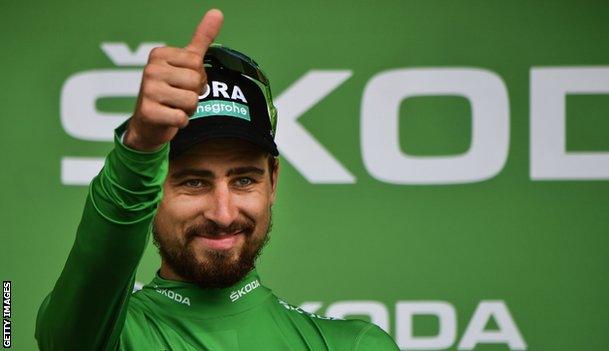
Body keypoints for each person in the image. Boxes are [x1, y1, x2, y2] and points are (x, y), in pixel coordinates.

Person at [35, 9, 399, 350]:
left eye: (243, 180)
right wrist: (141, 148)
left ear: (273, 180)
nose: (223, 214)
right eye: (194, 182)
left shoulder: (352, 345)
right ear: (151, 189)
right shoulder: (102, 337)